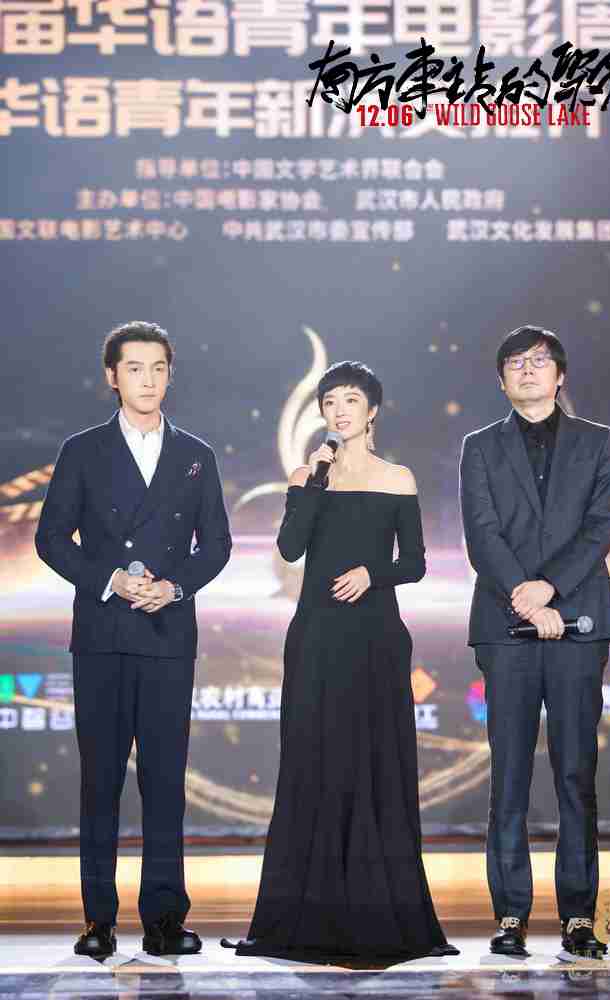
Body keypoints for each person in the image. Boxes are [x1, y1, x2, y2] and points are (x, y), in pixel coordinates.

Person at [225, 361, 458, 962]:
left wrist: (371, 573)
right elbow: (289, 548)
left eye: (350, 400)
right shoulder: (310, 475)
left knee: (375, 762)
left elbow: (415, 563)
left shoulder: (396, 478)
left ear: (372, 409)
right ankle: (303, 913)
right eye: (330, 401)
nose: (339, 410)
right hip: (317, 636)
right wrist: (311, 482)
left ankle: (382, 910)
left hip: (376, 637)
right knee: (314, 759)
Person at [35, 321, 232, 959]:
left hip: (168, 633)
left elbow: (218, 544)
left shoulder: (196, 454)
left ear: (170, 375)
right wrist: (111, 580)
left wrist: (175, 587)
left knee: (166, 781)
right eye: (134, 368)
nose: (147, 380)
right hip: (102, 635)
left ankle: (165, 920)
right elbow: (50, 538)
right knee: (100, 782)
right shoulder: (83, 450)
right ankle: (98, 920)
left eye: (158, 368)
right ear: (112, 377)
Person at [459, 326, 610, 960]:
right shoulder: (479, 446)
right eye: (514, 363)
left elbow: (599, 527)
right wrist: (525, 597)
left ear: (560, 376)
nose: (526, 370)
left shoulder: (598, 441)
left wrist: (550, 589)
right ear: (502, 380)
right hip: (506, 627)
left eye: (538, 361)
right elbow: (482, 532)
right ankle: (510, 915)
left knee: (576, 774)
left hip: (579, 623)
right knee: (510, 776)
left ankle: (579, 917)